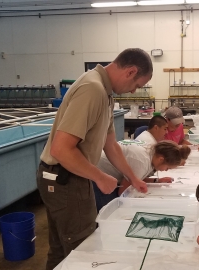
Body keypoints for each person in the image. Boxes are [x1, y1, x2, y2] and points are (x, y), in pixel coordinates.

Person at [36, 48, 152, 270]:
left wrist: (133, 176)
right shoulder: (93, 88)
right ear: (130, 71)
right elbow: (62, 149)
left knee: (62, 249)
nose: (132, 91)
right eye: (137, 85)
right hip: (65, 180)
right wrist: (100, 176)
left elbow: (111, 145)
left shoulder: (105, 93)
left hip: (68, 177)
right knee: (82, 250)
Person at [93, 140, 191, 211]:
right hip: (95, 175)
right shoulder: (142, 161)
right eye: (167, 168)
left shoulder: (150, 150)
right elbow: (123, 193)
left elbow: (135, 179)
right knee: (109, 211)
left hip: (100, 169)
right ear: (161, 159)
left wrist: (156, 181)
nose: (165, 170)